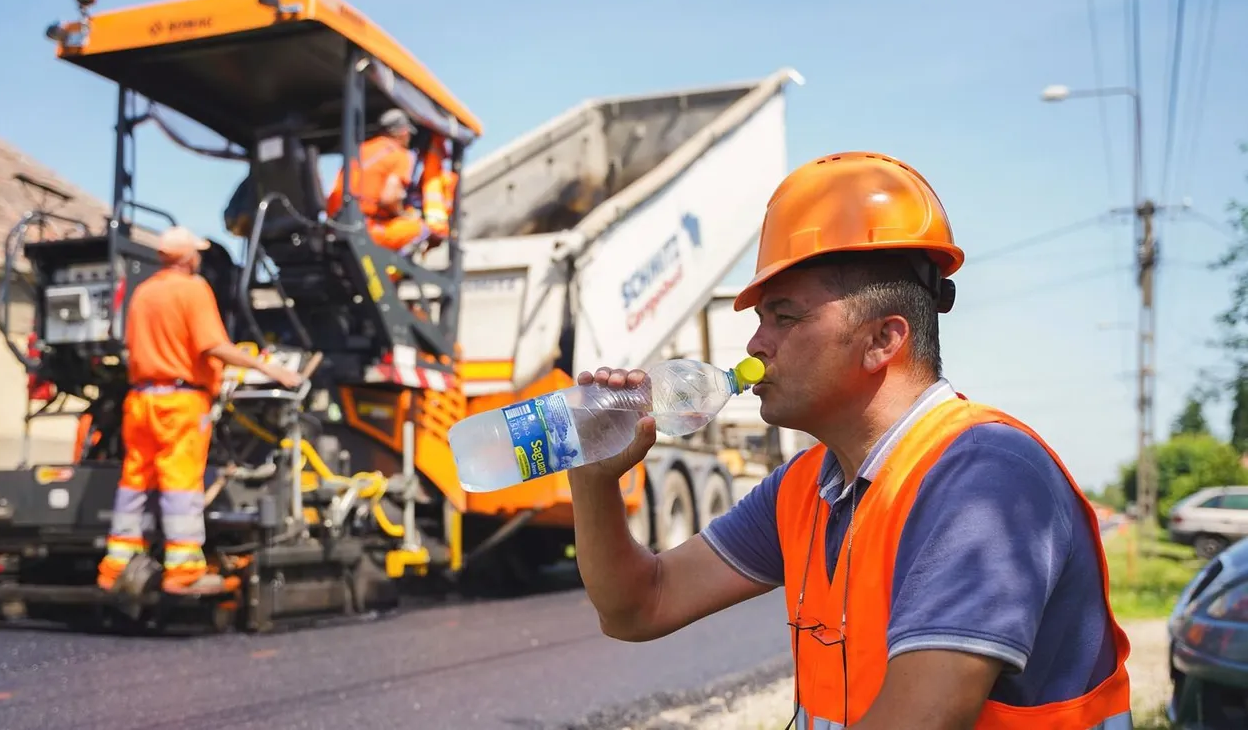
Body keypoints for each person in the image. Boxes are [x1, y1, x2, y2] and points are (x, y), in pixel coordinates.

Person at [566, 152, 1133, 729]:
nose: (756, 345)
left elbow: (922, 721)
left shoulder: (985, 477)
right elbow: (639, 606)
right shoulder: (807, 486)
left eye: (784, 317)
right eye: (761, 318)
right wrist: (592, 479)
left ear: (883, 340)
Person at [97, 226, 303, 596]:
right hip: (180, 402)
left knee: (135, 480)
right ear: (188, 257)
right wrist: (271, 369)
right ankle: (183, 568)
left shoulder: (143, 293)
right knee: (180, 482)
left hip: (141, 400)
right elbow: (213, 345)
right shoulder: (193, 289)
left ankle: (116, 564)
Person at [326, 108, 426, 251]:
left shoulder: (360, 149)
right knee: (421, 229)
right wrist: (403, 214)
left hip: (335, 225)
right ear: (403, 132)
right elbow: (389, 198)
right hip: (365, 228)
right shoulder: (399, 154)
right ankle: (391, 273)